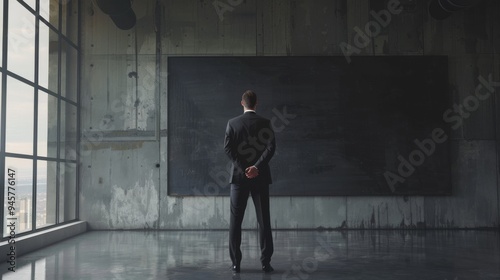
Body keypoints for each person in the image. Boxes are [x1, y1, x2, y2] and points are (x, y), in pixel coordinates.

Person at [224, 90, 276, 274]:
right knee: (264, 221)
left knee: (235, 222)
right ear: (256, 103)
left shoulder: (232, 124)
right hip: (260, 177)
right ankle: (265, 263)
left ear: (242, 103)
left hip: (239, 179)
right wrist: (256, 167)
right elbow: (271, 148)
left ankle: (236, 264)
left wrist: (243, 167)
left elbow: (228, 149)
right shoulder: (266, 123)